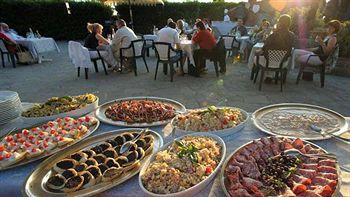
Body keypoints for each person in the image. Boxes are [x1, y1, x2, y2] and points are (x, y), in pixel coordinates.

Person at [254, 14, 296, 82]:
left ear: (280, 23)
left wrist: (258, 51)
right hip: (282, 62)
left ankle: (268, 76)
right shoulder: (292, 35)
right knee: (280, 57)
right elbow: (291, 48)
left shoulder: (274, 35)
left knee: (257, 56)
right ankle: (276, 76)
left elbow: (265, 47)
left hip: (268, 62)